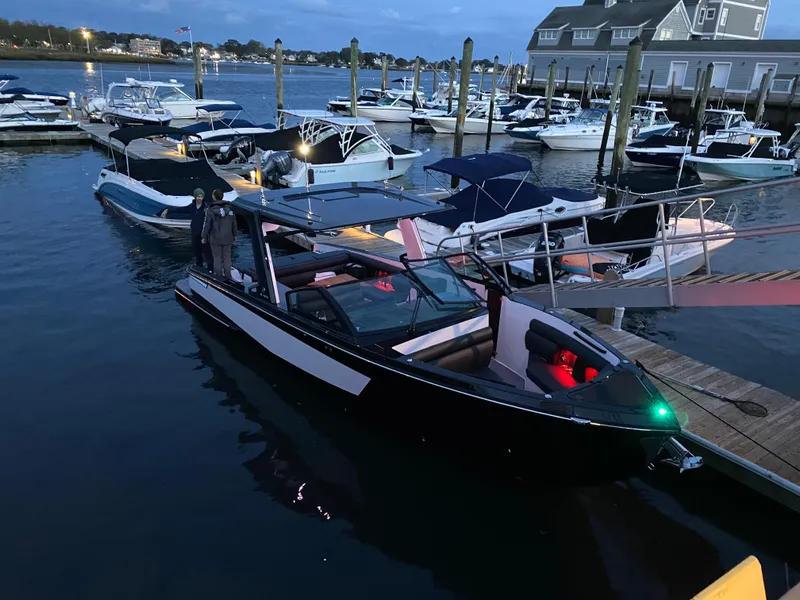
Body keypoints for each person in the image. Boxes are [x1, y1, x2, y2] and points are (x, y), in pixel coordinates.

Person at [201, 189, 237, 279]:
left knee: (217, 258)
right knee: (227, 258)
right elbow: (234, 224)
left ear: (214, 197)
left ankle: (219, 278)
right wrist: (234, 234)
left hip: (215, 238)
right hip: (228, 237)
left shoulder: (211, 210)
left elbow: (207, 225)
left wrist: (204, 237)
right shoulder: (230, 209)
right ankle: (228, 277)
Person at [188, 188, 212, 271]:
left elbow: (209, 221)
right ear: (195, 197)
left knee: (207, 254)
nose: (200, 198)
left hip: (203, 235)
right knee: (197, 254)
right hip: (195, 235)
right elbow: (181, 209)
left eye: (201, 196)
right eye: (198, 196)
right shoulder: (191, 207)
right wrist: (168, 210)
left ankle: (211, 270)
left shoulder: (206, 208)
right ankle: (199, 269)